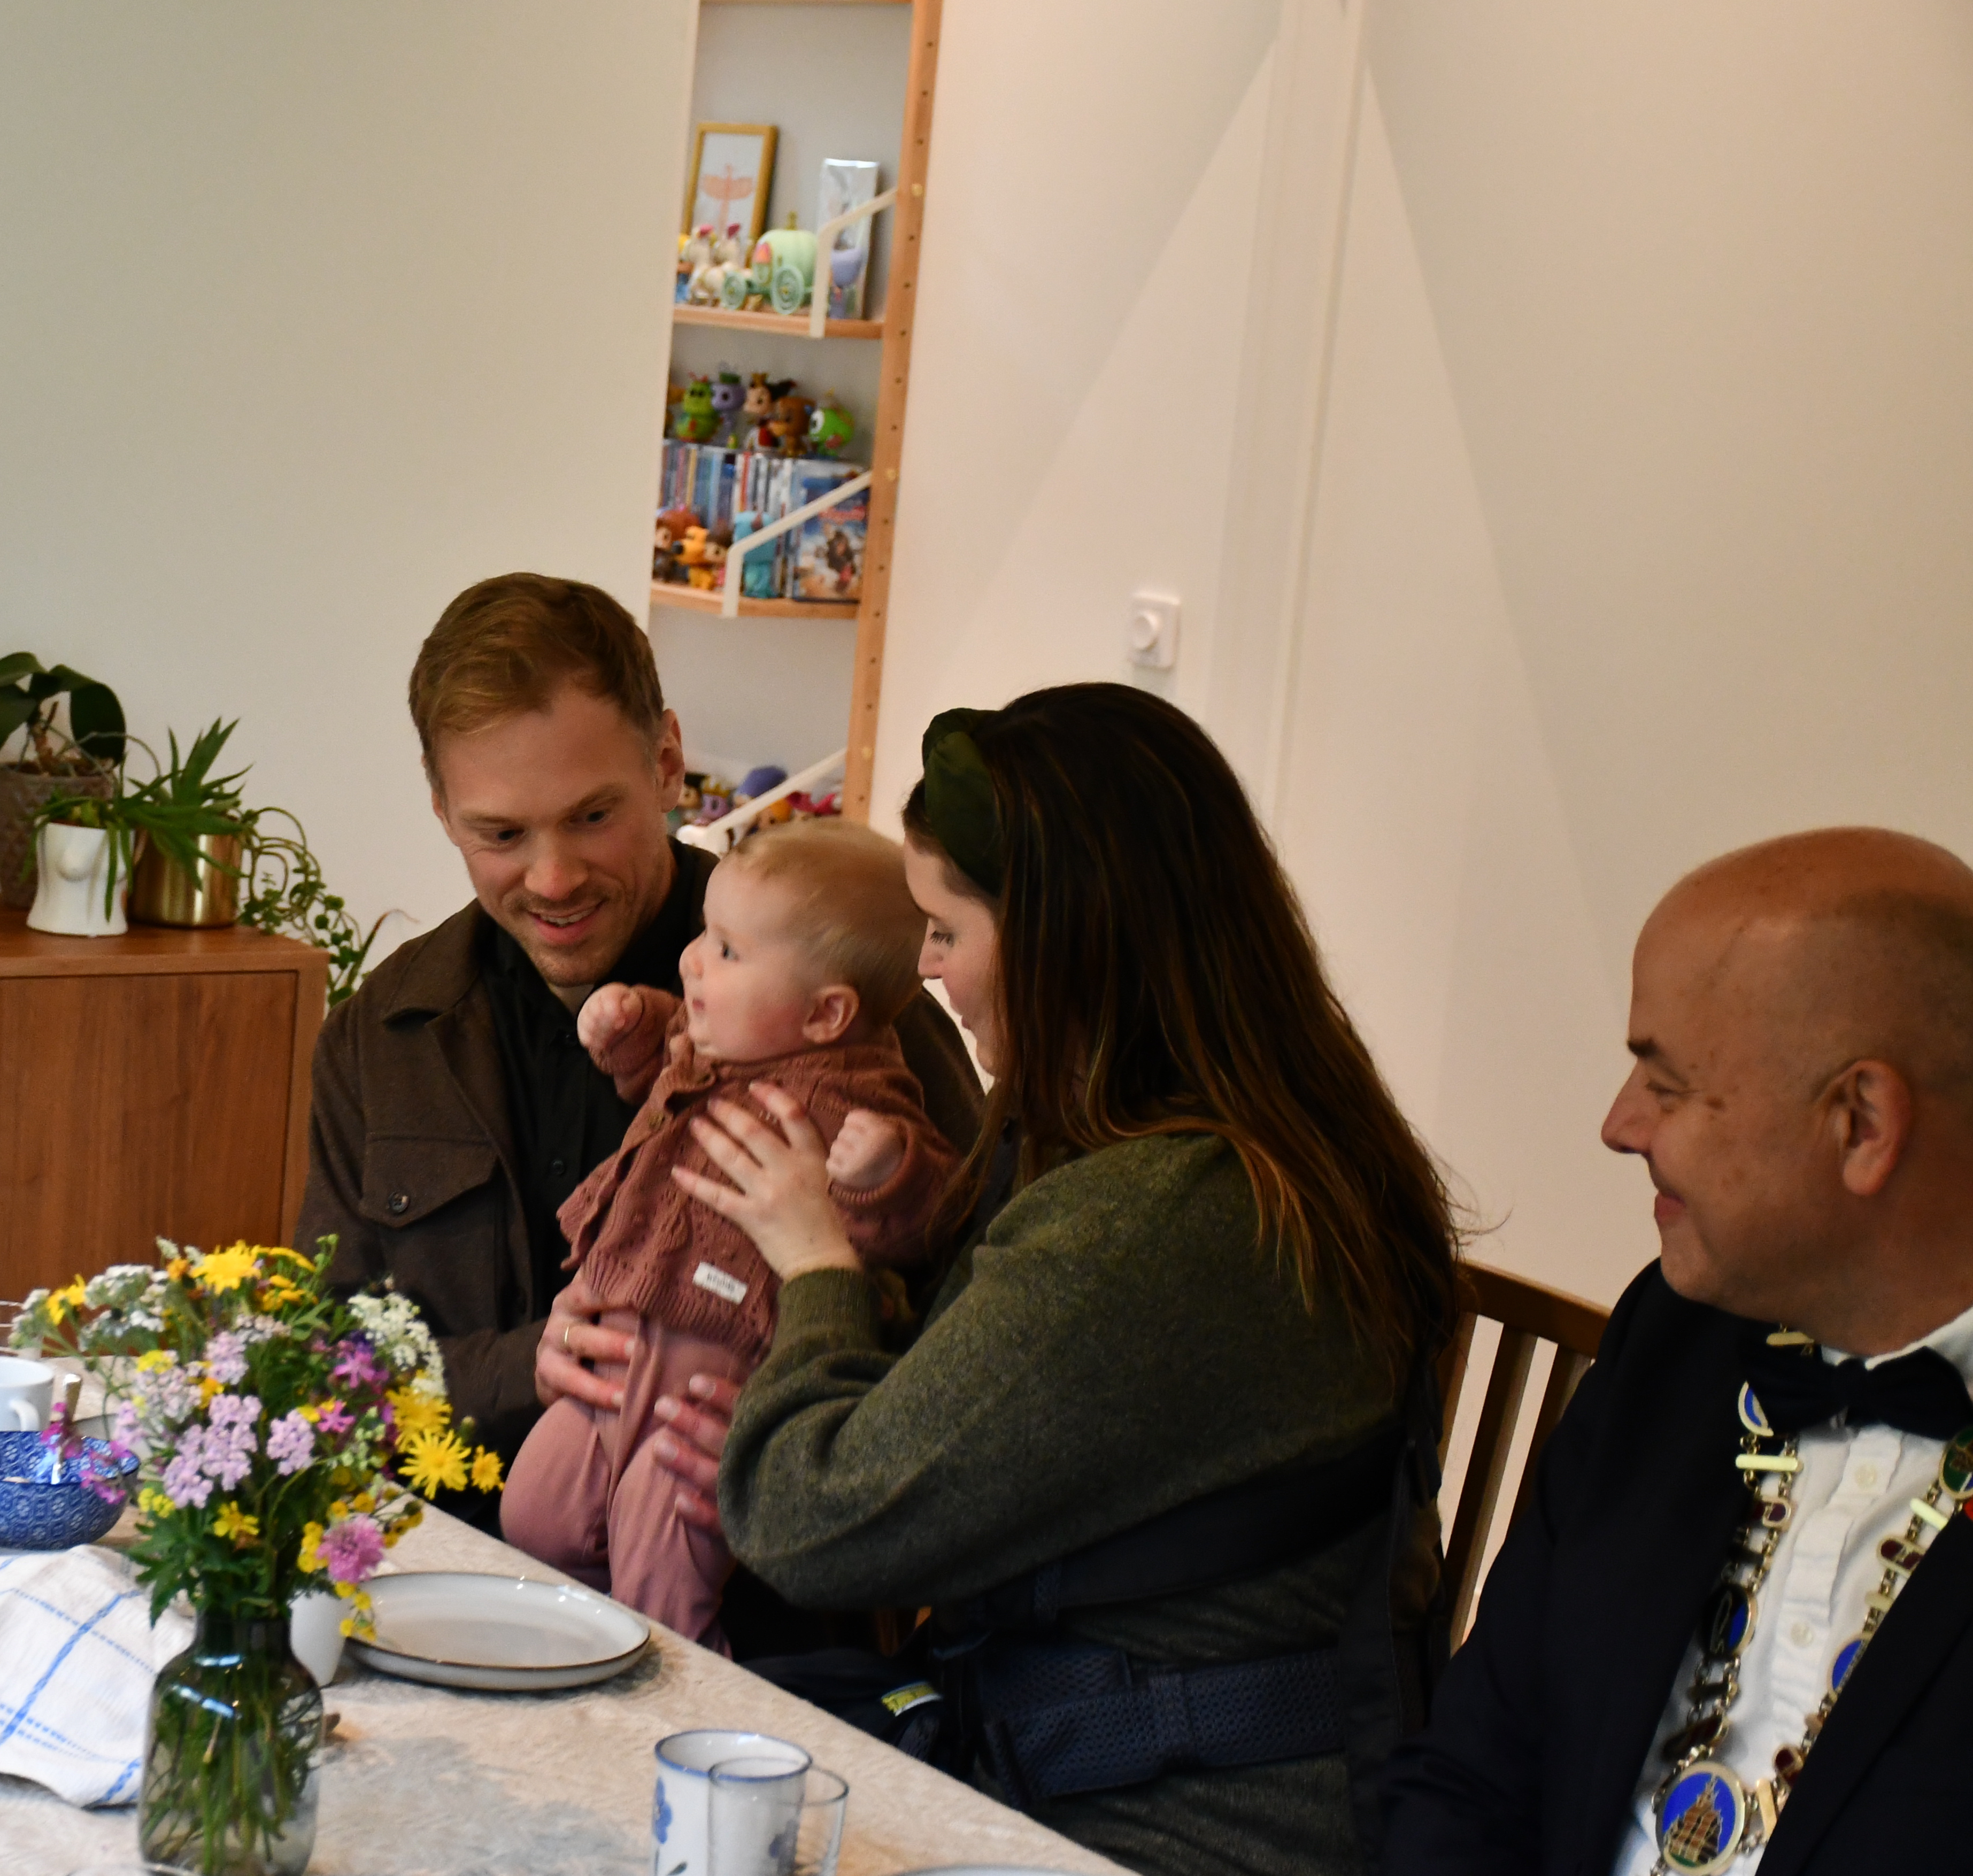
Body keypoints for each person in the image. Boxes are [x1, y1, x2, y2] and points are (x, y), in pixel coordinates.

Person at [632, 689, 1461, 1876]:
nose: (924, 972)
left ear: (1067, 938)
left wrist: (818, 1263)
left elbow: (812, 1520)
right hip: (1100, 1759)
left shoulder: (1153, 1217)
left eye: (947, 929)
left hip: (1163, 1823)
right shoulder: (1265, 1138)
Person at [292, 573, 984, 1472]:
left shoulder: (838, 991)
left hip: (741, 1581)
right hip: (448, 1563)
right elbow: (322, 1364)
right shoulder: (382, 1035)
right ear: (441, 811)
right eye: (501, 836)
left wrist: (791, 1418)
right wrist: (516, 1369)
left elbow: (979, 1326)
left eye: (592, 817)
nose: (552, 879)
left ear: (666, 762)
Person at [1384, 828, 1973, 1874]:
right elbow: (1475, 1771)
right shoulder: (1674, 1337)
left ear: (1862, 1121)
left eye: (1668, 1081)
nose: (1619, 1124)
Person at [500, 820, 958, 1648]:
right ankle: (572, 1653)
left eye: (729, 952)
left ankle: (679, 1713)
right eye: (706, 936)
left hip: (717, 1372)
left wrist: (884, 1166)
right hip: (620, 1333)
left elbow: (928, 1215)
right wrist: (635, 1026)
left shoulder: (860, 1096)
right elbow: (668, 1057)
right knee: (535, 1511)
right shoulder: (722, 1048)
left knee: (663, 1555)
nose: (693, 960)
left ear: (826, 1014)